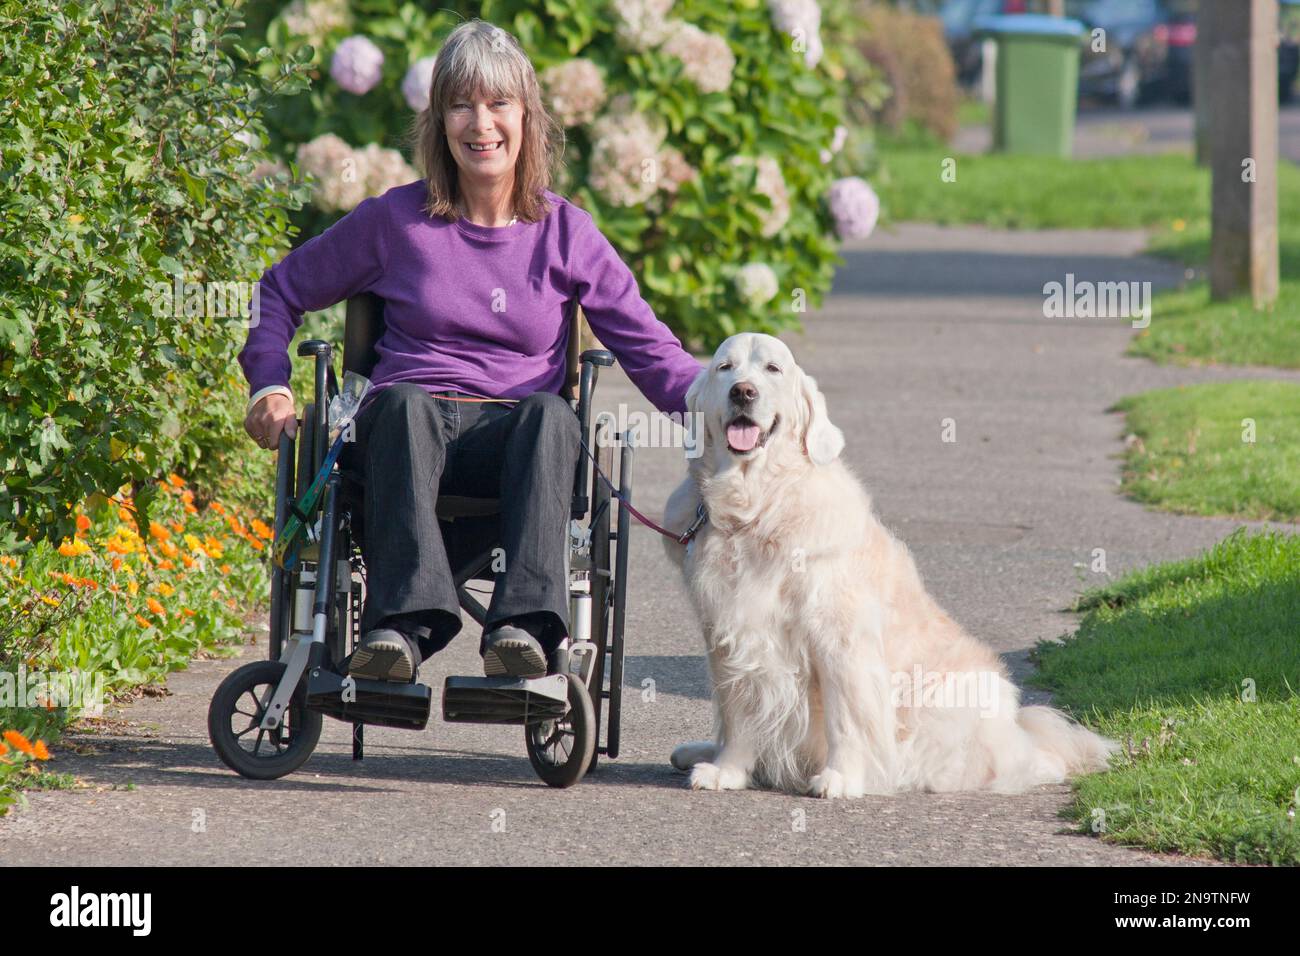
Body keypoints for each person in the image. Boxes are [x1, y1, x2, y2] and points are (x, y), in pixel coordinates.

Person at [238, 19, 703, 683]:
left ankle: (522, 629)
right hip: (405, 439)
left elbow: (650, 348)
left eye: (497, 104)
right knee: (399, 403)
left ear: (527, 118)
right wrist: (270, 386)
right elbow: (279, 290)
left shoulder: (568, 233)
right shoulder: (393, 221)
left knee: (551, 415)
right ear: (439, 123)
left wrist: (725, 418)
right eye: (460, 104)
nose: (480, 124)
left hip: (516, 444)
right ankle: (400, 627)